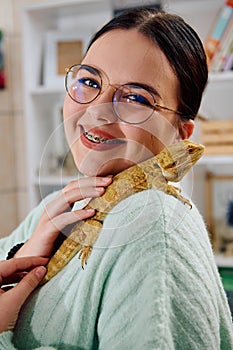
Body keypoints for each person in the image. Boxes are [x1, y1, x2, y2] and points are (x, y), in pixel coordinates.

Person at [0, 8, 232, 349]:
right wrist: (20, 256)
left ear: (180, 136)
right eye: (90, 82)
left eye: (136, 98)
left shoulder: (156, 222)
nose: (97, 111)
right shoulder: (65, 204)